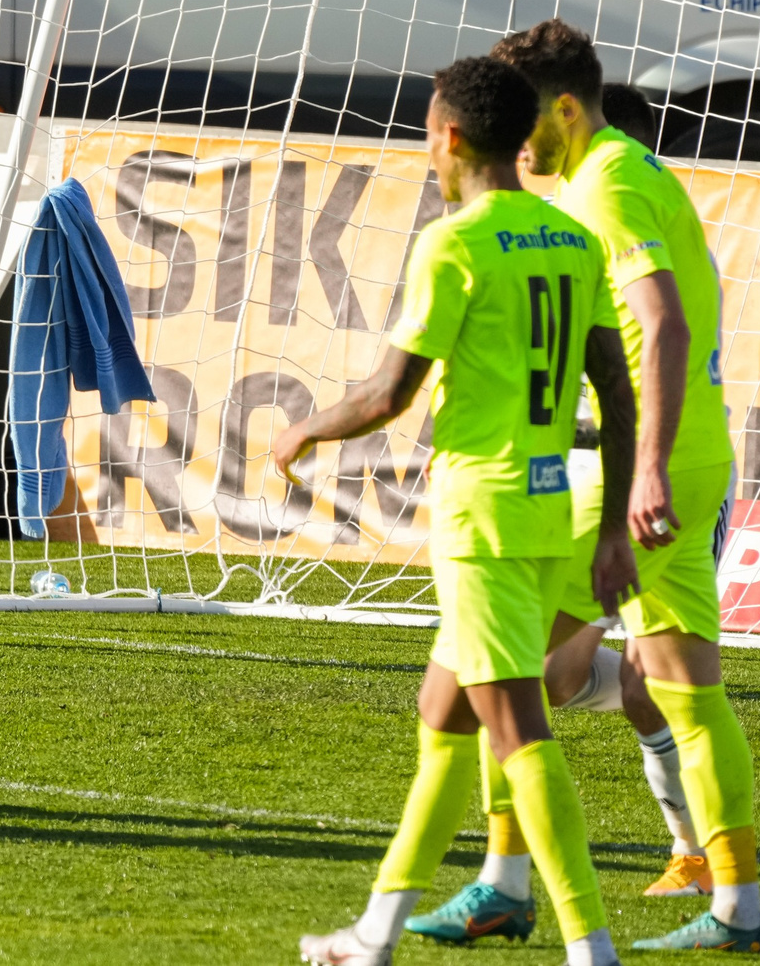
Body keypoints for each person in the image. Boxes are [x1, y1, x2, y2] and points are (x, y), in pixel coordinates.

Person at [276, 56, 643, 966]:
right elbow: (617, 391)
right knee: (443, 714)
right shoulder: (572, 237)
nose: (427, 150)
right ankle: (374, 935)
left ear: (448, 136)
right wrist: (609, 529)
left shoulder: (455, 242)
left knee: (517, 728)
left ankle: (592, 948)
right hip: (547, 509)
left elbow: (389, 392)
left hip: (481, 514)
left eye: (427, 134)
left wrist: (304, 429)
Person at [457, 19, 760, 954]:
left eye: (525, 122)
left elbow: (663, 322)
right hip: (694, 455)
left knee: (502, 662)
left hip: (642, 467)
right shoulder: (634, 168)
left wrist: (649, 465)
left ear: (564, 108)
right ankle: (738, 906)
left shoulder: (609, 181)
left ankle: (503, 883)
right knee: (686, 690)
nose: (515, 143)